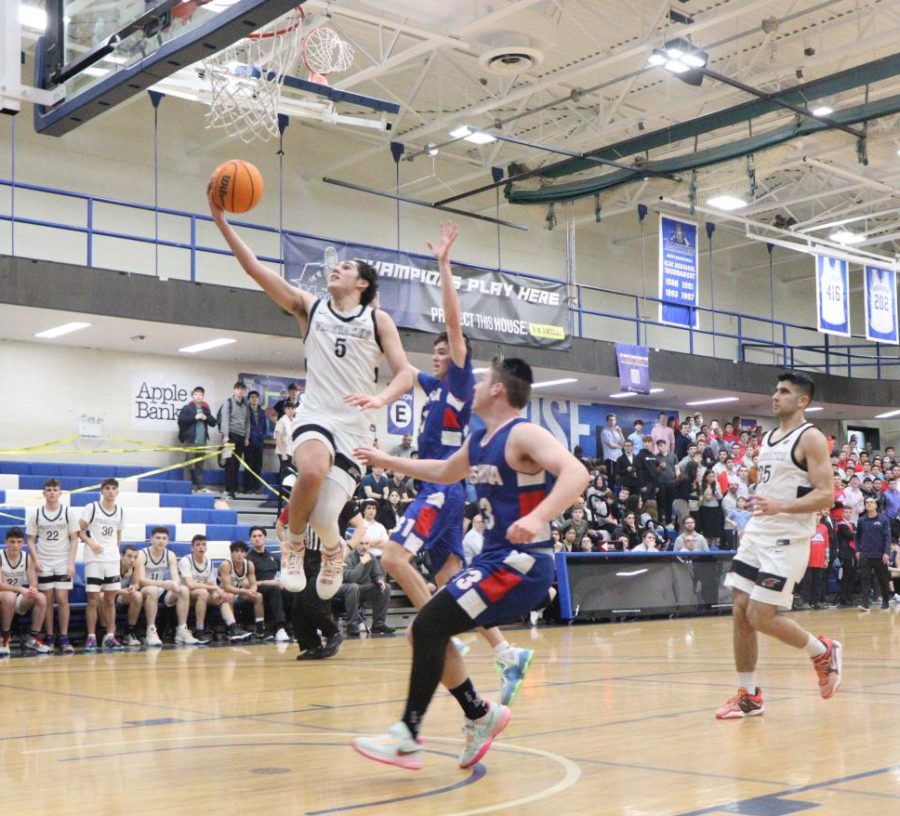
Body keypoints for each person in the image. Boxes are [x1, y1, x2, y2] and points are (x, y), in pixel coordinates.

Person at [352, 357, 590, 770]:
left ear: (498, 389)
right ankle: (480, 714)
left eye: (482, 381)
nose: (474, 387)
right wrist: (388, 461)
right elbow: (444, 470)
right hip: (496, 561)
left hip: (524, 565)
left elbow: (576, 473)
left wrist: (537, 517)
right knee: (423, 633)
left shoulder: (524, 433)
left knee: (427, 626)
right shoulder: (479, 440)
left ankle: (408, 735)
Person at [210, 187, 414, 602]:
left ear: (363, 282)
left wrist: (381, 399)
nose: (335, 270)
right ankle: (293, 542)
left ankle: (334, 550)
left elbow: (406, 373)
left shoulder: (378, 320)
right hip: (316, 414)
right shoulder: (310, 307)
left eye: (346, 268)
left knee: (327, 516)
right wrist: (220, 220)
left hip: (356, 427)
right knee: (312, 470)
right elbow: (255, 270)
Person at [371, 223, 534, 709]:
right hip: (446, 489)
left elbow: (455, 327)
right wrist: (374, 319)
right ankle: (506, 652)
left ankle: (442, 635)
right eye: (437, 352)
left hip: (442, 488)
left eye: (445, 352)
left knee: (393, 559)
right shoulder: (434, 384)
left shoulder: (462, 382)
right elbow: (400, 363)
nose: (439, 356)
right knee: (450, 580)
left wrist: (443, 267)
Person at [716, 372, 841, 719]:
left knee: (760, 615)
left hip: (787, 539)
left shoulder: (811, 437)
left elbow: (826, 495)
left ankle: (822, 650)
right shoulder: (769, 437)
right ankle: (749, 695)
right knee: (740, 610)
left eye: (784, 391)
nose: (775, 396)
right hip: (758, 534)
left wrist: (781, 506)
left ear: (802, 401)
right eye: (775, 390)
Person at [27, 478, 79, 653]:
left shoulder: (68, 513)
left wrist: (71, 563)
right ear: (44, 493)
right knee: (47, 600)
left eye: (54, 490)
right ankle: (49, 636)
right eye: (48, 490)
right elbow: (31, 540)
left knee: (63, 600)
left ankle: (64, 637)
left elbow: (74, 539)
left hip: (63, 560)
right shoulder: (36, 513)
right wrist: (36, 560)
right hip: (45, 561)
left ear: (60, 493)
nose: (51, 493)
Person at [78, 478, 124, 651]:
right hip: (94, 559)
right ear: (102, 491)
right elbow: (78, 531)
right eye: (107, 488)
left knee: (111, 599)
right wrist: (91, 543)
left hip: (111, 559)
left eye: (114, 488)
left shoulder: (120, 510)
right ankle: (91, 636)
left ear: (117, 492)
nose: (111, 491)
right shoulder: (92, 508)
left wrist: (115, 550)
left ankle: (110, 636)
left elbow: (118, 534)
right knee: (93, 599)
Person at [134, 528, 200, 646]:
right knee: (152, 590)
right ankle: (151, 631)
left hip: (161, 589)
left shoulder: (170, 555)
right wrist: (163, 584)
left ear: (168, 541)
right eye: (158, 538)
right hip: (143, 590)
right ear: (151, 539)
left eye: (164, 538)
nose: (161, 541)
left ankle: (181, 630)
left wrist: (175, 584)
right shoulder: (141, 554)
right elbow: (141, 580)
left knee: (183, 590)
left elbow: (176, 577)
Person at [178, 535, 251, 642]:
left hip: (201, 595)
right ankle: (199, 630)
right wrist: (212, 587)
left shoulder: (209, 562)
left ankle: (233, 627)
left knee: (221, 597)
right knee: (203, 592)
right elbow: (190, 585)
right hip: (183, 595)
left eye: (203, 545)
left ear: (206, 547)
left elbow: (212, 585)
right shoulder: (185, 560)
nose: (201, 547)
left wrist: (220, 592)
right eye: (197, 545)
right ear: (191, 548)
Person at [0, 527, 51, 655]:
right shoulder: (0, 556)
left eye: (18, 542)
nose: (15, 545)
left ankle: (34, 638)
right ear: (6, 542)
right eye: (12, 542)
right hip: (3, 596)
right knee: (9, 596)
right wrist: (21, 589)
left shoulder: (27, 557)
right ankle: (5, 637)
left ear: (23, 543)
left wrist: (32, 589)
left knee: (40, 597)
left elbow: (33, 580)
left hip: (16, 597)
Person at [337, 529, 393, 637]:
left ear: (369, 545)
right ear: (356, 544)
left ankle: (378, 624)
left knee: (386, 587)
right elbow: (351, 578)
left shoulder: (371, 557)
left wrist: (380, 580)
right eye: (361, 543)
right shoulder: (349, 556)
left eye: (366, 544)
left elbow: (377, 574)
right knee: (353, 587)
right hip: (345, 589)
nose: (364, 546)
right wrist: (362, 563)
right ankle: (352, 625)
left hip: (363, 588)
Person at [246, 526, 290, 641]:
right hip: (259, 587)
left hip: (276, 585)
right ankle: (280, 628)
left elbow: (281, 573)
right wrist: (268, 582)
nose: (257, 539)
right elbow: (248, 583)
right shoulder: (248, 559)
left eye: (260, 536)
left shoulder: (273, 557)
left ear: (265, 537)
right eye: (254, 536)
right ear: (250, 539)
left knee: (294, 590)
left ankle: (297, 626)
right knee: (274, 589)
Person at [855, 496, 892, 610]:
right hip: (865, 555)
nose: (869, 504)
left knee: (883, 579)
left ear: (876, 505)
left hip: (880, 555)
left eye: (871, 502)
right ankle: (865, 603)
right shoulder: (861, 520)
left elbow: (887, 537)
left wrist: (886, 552)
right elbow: (857, 537)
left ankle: (885, 601)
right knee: (865, 580)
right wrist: (858, 550)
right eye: (867, 502)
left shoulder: (883, 519)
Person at [177, 386, 217, 492]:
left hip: (202, 441)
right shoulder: (187, 408)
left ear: (203, 396)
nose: (198, 397)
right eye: (196, 394)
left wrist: (206, 418)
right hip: (191, 440)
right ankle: (187, 486)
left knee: (199, 465)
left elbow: (213, 423)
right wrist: (194, 417)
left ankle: (200, 487)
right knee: (188, 464)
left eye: (200, 395)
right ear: (192, 396)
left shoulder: (205, 409)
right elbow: (181, 421)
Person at [218, 540, 263, 626]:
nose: (239, 554)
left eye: (242, 551)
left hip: (239, 592)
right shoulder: (226, 564)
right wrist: (245, 591)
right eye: (236, 551)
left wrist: (252, 591)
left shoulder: (249, 564)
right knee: (230, 596)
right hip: (223, 593)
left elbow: (253, 584)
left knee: (258, 596)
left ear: (246, 554)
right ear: (231, 553)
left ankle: (260, 627)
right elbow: (226, 587)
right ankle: (232, 628)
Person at [218, 381, 250, 499]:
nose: (240, 391)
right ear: (234, 390)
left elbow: (247, 422)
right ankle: (227, 490)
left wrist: (247, 437)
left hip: (241, 437)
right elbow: (224, 420)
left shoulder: (246, 404)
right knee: (229, 464)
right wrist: (225, 436)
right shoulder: (228, 403)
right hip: (230, 436)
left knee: (236, 464)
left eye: (242, 389)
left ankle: (233, 489)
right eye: (238, 389)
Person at [117, 545, 145, 647]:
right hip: (109, 593)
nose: (132, 560)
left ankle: (129, 632)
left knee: (137, 595)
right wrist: (120, 591)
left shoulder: (135, 566)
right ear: (121, 556)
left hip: (122, 594)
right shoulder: (113, 565)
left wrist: (133, 588)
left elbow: (136, 583)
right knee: (102, 596)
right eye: (129, 556)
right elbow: (103, 588)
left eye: (135, 557)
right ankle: (103, 633)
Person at [244, 390, 267, 493]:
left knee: (258, 465)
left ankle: (257, 487)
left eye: (256, 397)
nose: (254, 399)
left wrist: (262, 436)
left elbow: (264, 427)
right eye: (252, 397)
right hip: (249, 442)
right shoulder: (246, 411)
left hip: (259, 442)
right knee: (249, 465)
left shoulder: (262, 412)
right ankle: (248, 487)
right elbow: (245, 426)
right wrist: (248, 437)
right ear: (249, 399)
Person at [600, 414, 625, 488]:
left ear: (616, 421)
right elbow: (611, 445)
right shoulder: (604, 432)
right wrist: (620, 447)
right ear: (607, 421)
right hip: (610, 458)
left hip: (619, 458)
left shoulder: (617, 432)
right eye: (610, 420)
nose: (612, 421)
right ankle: (611, 496)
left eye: (613, 420)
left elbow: (623, 443)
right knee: (611, 478)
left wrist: (620, 432)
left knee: (620, 477)